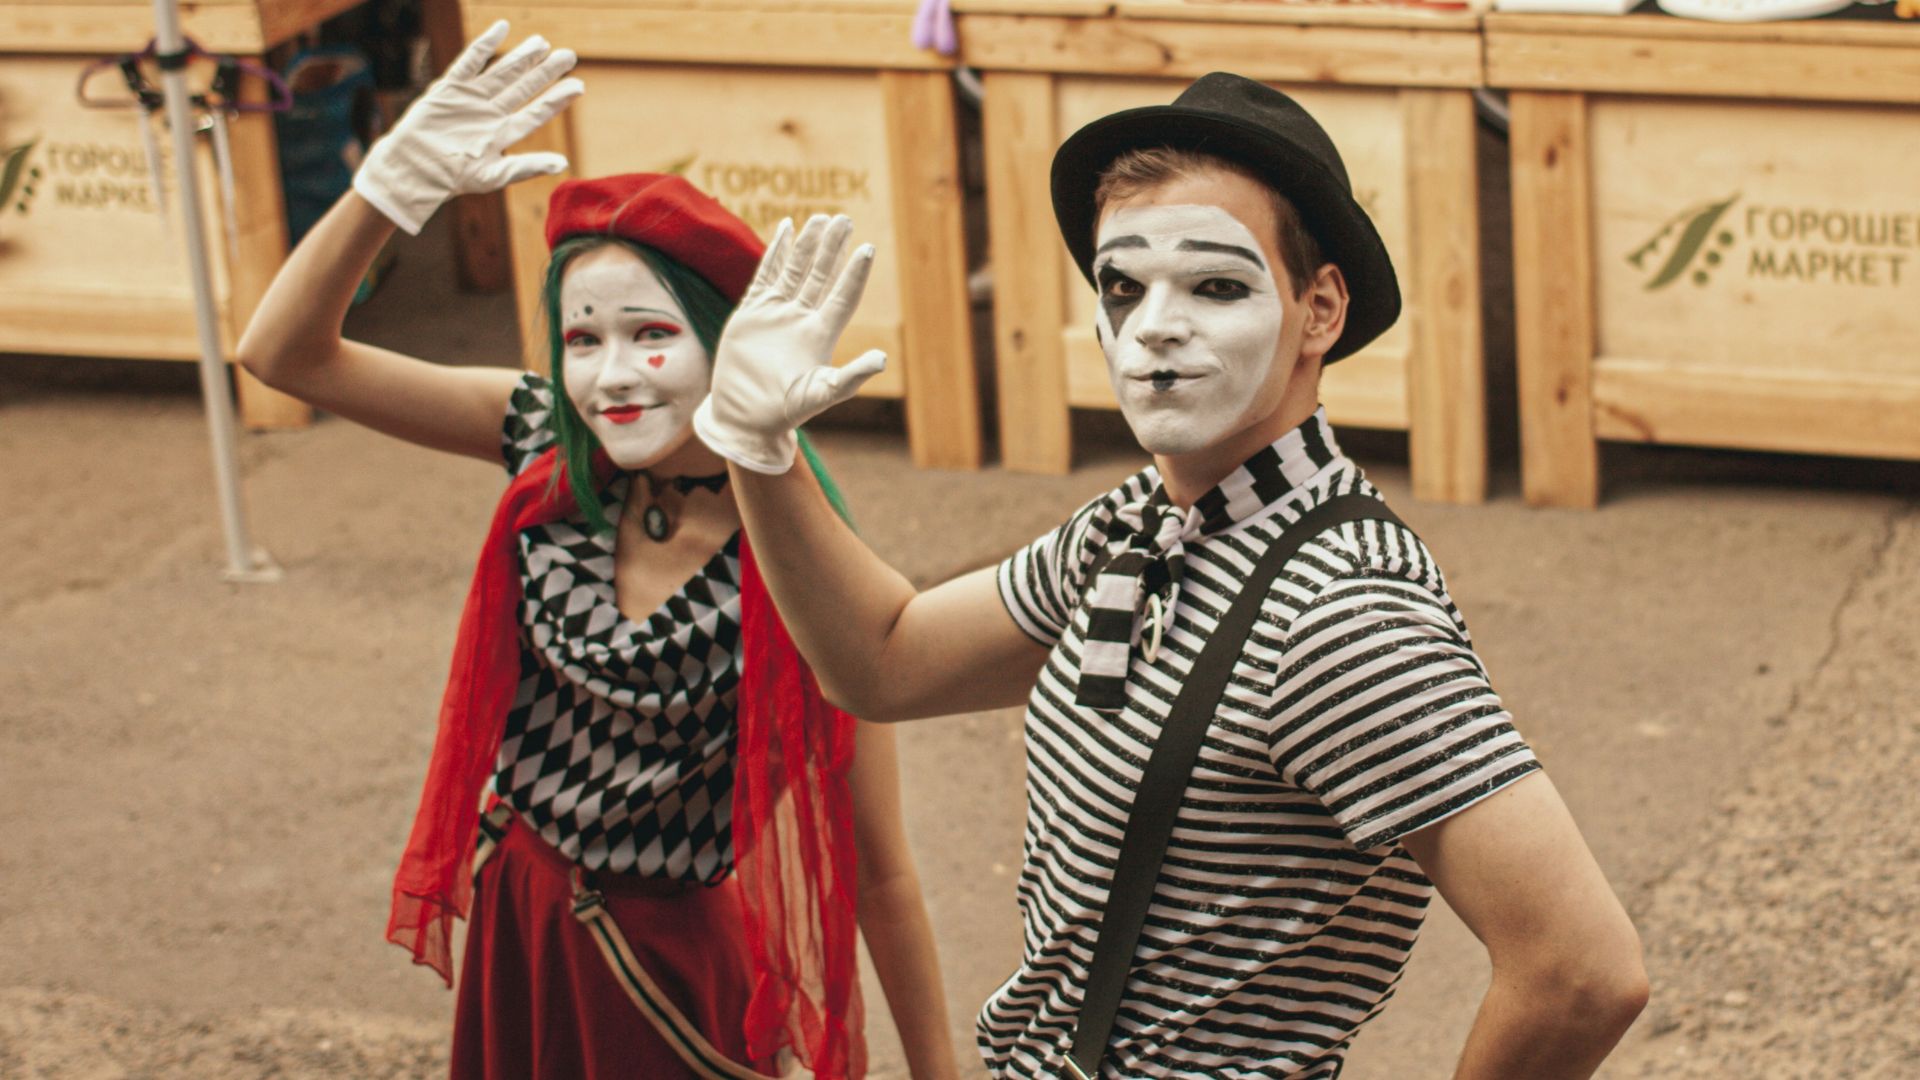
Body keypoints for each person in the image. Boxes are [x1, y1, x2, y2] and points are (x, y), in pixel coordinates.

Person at [692, 73, 1649, 1078]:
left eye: (1215, 286)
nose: (1152, 326)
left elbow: (1582, 971)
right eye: (1122, 287)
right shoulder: (1139, 525)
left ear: (1318, 308)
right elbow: (883, 662)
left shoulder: (1340, 613)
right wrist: (757, 447)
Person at [236, 22, 958, 1080]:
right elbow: (282, 354)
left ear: (733, 345)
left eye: (651, 335)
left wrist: (940, 1074)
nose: (613, 374)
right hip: (523, 921)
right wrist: (386, 194)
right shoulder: (543, 442)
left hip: (666, 964)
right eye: (584, 339)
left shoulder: (803, 566)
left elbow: (878, 871)